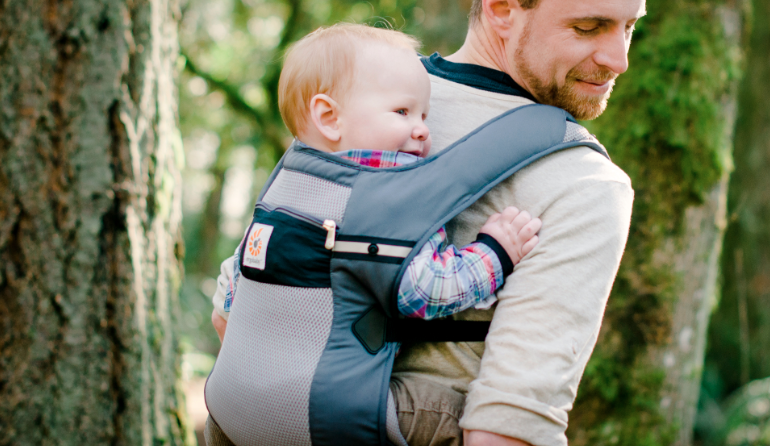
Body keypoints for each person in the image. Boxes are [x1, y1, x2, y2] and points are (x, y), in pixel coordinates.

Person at [390, 0, 659, 446]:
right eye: (589, 27)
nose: (619, 60)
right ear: (502, 8)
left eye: (629, 27)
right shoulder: (582, 183)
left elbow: (233, 317)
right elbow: (505, 432)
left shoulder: (357, 107)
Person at [209, 24, 544, 446]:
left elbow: (233, 292)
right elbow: (426, 290)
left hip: (227, 411)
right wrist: (496, 253)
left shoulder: (286, 187)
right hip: (323, 417)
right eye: (402, 113)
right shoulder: (393, 194)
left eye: (424, 115)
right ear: (329, 117)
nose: (422, 129)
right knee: (453, 412)